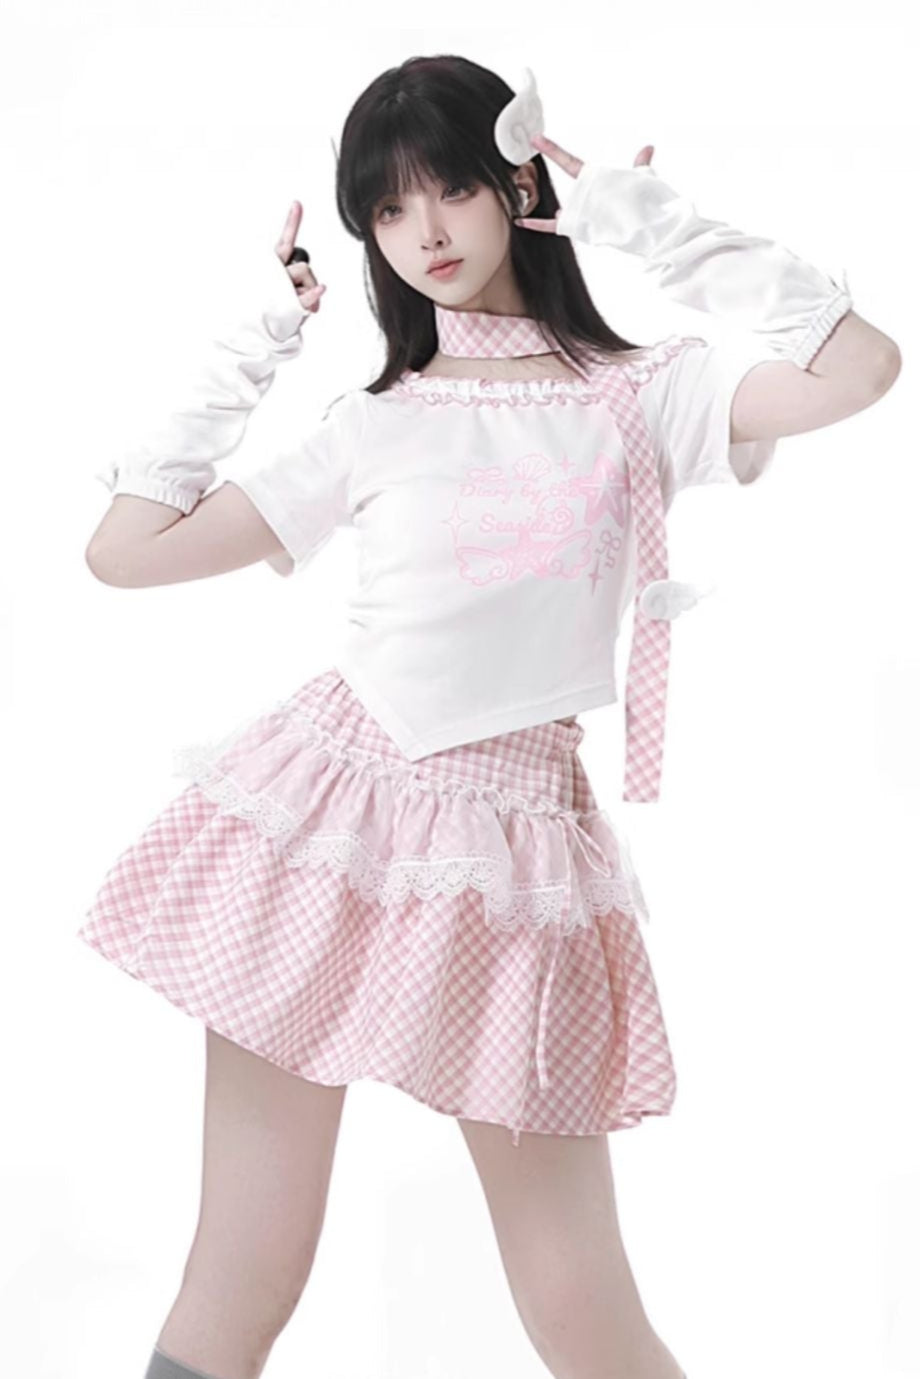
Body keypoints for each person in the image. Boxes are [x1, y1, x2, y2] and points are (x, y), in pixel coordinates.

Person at [77, 53, 900, 1379]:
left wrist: (666, 232)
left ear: (517, 187)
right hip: (327, 827)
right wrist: (258, 342)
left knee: (580, 1301)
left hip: (517, 857)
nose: (427, 233)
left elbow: (862, 369)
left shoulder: (641, 394)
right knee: (245, 1264)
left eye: (452, 188)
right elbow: (126, 553)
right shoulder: (375, 424)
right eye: (389, 209)